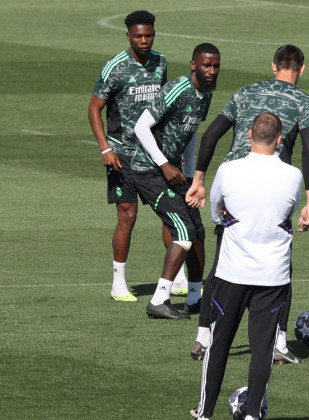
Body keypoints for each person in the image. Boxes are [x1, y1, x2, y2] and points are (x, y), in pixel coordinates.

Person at [185, 44, 309, 363]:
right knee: (279, 267)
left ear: (274, 66)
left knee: (221, 266)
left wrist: (199, 180)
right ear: (302, 69)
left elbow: (210, 136)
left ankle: (203, 338)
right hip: (273, 186)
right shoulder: (305, 102)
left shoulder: (246, 92)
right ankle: (278, 344)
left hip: (233, 182)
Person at [195, 112, 302, 420]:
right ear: (280, 141)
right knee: (262, 350)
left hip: (231, 272)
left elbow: (216, 211)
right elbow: (289, 210)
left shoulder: (228, 170)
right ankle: (253, 413)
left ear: (248, 136)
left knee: (218, 346)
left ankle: (204, 413)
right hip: (273, 275)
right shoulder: (293, 175)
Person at [88, 10, 188, 301]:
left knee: (171, 214)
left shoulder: (161, 62)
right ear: (128, 35)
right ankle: (118, 283)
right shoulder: (115, 68)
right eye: (138, 36)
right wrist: (105, 148)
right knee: (127, 216)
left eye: (149, 35)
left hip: (156, 155)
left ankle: (179, 278)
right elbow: (94, 108)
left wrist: (173, 149)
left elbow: (165, 107)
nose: (144, 40)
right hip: (123, 154)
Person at [131, 43, 221, 319]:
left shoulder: (205, 94)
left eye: (216, 66)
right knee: (182, 231)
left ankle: (195, 298)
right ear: (193, 65)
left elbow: (190, 134)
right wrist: (164, 164)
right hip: (147, 170)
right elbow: (140, 127)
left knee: (197, 231)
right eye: (206, 65)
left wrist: (193, 175)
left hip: (175, 172)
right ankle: (159, 300)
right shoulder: (176, 89)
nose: (212, 71)